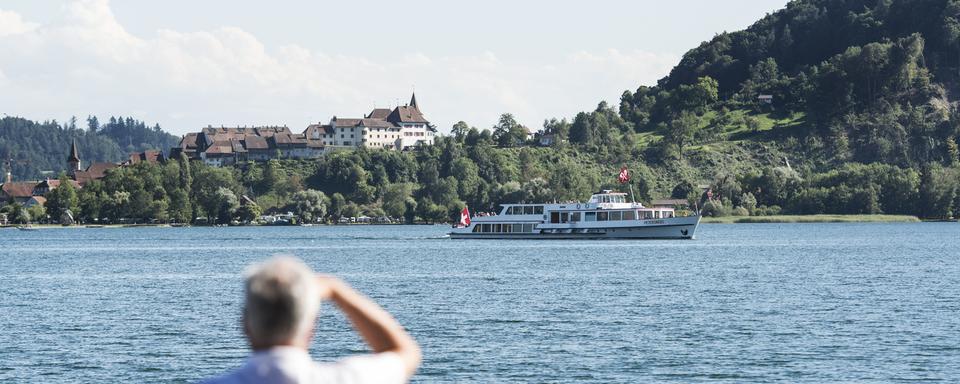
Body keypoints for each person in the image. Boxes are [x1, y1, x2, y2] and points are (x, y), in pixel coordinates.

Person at [203, 256, 421, 384]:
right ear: (311, 326)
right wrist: (336, 289)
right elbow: (405, 352)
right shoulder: (347, 378)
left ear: (245, 324)